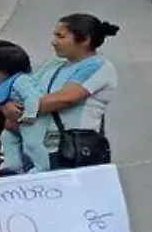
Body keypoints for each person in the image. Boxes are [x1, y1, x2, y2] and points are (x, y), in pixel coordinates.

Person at [28, 13, 120, 168]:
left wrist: (23, 108)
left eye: (61, 37)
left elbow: (64, 99)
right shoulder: (54, 64)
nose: (54, 42)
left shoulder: (98, 66)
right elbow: (27, 89)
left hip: (70, 153)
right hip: (39, 151)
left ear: (85, 40)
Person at [0, 40, 48, 175]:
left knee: (31, 144)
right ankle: (12, 163)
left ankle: (41, 166)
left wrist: (29, 114)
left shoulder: (22, 82)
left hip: (25, 126)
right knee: (7, 139)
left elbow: (32, 98)